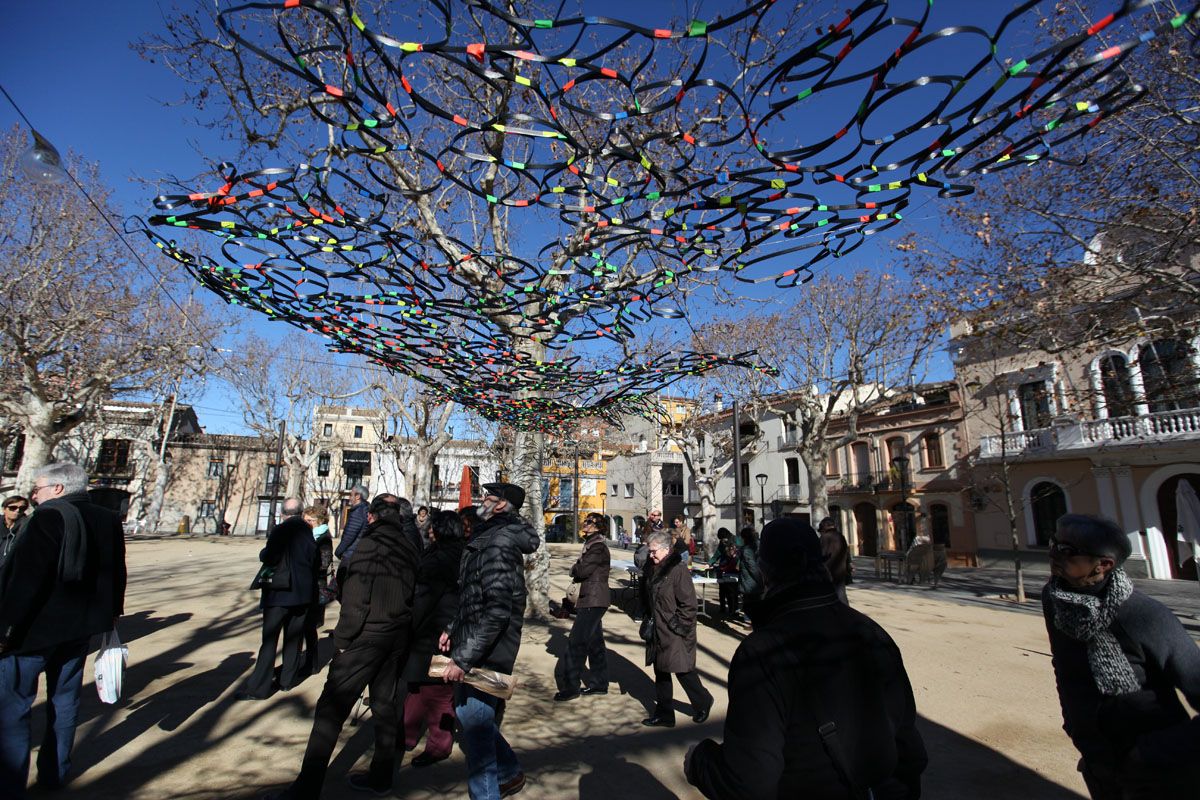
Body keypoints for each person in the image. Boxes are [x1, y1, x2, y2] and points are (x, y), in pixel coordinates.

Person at [684, 517, 928, 799]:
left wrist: (699, 762)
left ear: (765, 572)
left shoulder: (762, 653)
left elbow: (749, 782)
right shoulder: (871, 633)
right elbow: (908, 746)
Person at [270, 495, 422, 799]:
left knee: (330, 711)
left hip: (366, 638)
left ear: (371, 517)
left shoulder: (369, 545)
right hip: (395, 636)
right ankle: (381, 777)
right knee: (384, 705)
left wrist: (341, 642)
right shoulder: (409, 546)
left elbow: (356, 603)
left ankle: (306, 788)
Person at [1042, 514, 1200, 800]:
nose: (1053, 554)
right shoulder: (1055, 599)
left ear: (1104, 564)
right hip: (1100, 763)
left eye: (1066, 550)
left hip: (1161, 772)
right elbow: (1064, 665)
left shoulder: (1144, 616)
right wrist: (1075, 725)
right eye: (1053, 543)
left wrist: (1156, 751)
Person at [0, 463, 126, 795]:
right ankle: (54, 774)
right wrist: (111, 614)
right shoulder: (108, 518)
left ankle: (9, 784)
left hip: (33, 632)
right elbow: (117, 572)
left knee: (13, 708)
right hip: (80, 629)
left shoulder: (47, 517)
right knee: (65, 701)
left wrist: (6, 628)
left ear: (58, 488)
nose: (34, 496)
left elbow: (26, 579)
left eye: (38, 489)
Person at [439, 482, 539, 800]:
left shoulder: (499, 542)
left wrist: (463, 658)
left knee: (477, 729)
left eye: (487, 497)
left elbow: (497, 611)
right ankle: (509, 771)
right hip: (474, 638)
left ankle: (487, 793)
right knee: (470, 717)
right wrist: (452, 627)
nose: (481, 501)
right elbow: (473, 593)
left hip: (490, 648)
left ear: (500, 506)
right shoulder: (488, 535)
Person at [401, 509, 467, 768]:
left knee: (437, 691)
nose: (429, 529)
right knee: (418, 688)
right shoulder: (462, 554)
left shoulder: (440, 558)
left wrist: (409, 624)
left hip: (436, 632)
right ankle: (406, 734)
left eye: (433, 526)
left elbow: (424, 599)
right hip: (442, 629)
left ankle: (439, 745)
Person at [237, 498, 318, 700]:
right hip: (302, 592)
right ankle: (287, 680)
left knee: (269, 641)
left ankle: (259, 688)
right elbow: (314, 560)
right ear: (300, 513)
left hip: (280, 592)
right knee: (294, 638)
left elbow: (270, 556)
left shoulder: (281, 530)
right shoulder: (307, 531)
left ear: (283, 513)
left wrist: (263, 553)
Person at [642, 531, 713, 728]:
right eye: (650, 552)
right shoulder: (652, 567)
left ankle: (703, 702)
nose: (651, 555)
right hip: (658, 628)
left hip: (675, 630)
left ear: (666, 549)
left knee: (682, 670)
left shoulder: (678, 570)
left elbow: (689, 605)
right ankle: (665, 714)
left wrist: (676, 625)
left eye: (654, 551)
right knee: (661, 671)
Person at [554, 512, 611, 701]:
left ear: (598, 527)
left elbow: (583, 570)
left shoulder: (597, 546)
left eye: (589, 522)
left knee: (576, 644)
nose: (585, 524)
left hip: (593, 600)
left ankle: (571, 687)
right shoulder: (592, 544)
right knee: (595, 643)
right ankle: (599, 684)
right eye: (585, 521)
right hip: (592, 599)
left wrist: (574, 568)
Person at [300, 504, 334, 678]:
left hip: (315, 587)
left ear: (319, 521)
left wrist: (304, 563)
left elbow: (324, 563)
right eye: (304, 520)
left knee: (309, 627)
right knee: (304, 627)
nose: (306, 523)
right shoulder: (310, 534)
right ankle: (304, 662)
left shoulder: (323, 537)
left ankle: (311, 664)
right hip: (307, 585)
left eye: (310, 520)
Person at [818, 516, 851, 605]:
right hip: (841, 571)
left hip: (827, 572)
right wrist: (848, 566)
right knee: (841, 594)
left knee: (826, 596)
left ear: (824, 527)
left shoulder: (824, 538)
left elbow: (821, 555)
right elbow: (847, 553)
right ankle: (844, 611)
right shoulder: (841, 536)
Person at [334, 484, 369, 563]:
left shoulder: (358, 512)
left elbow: (349, 536)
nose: (349, 497)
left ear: (357, 496)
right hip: (358, 553)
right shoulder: (365, 509)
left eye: (351, 495)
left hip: (350, 555)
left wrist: (338, 552)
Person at [737, 527, 761, 618]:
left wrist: (761, 580)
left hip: (750, 583)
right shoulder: (759, 545)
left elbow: (753, 568)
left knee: (751, 607)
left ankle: (751, 621)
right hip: (756, 583)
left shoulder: (747, 550)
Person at [0, 494, 29, 567]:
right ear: (4, 509)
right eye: (13, 507)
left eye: (22, 508)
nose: (17, 510)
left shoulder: (27, 527)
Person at [715, 541, 740, 618]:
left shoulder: (736, 557)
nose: (728, 553)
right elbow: (723, 564)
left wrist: (721, 569)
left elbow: (732, 567)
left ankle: (733, 611)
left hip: (733, 578)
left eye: (729, 551)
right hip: (727, 577)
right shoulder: (726, 555)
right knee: (724, 593)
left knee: (732, 595)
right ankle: (725, 609)